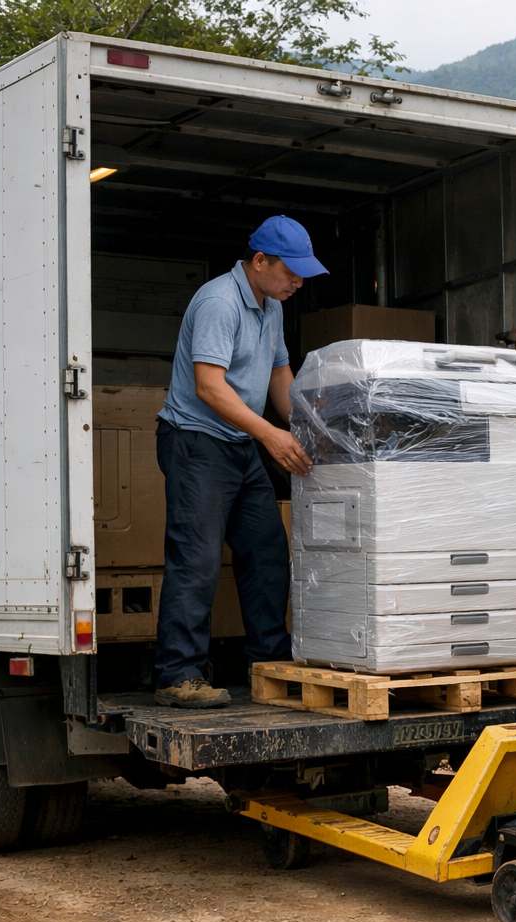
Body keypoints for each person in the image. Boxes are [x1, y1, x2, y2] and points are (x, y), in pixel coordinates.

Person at [152, 216, 326, 709]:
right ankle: (177, 675)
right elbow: (209, 386)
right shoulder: (219, 301)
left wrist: (316, 432)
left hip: (238, 441)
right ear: (259, 261)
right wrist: (270, 434)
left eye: (302, 274)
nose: (298, 282)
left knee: (267, 552)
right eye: (291, 272)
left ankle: (269, 665)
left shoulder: (271, 307)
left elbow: (279, 377)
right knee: (198, 558)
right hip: (196, 441)